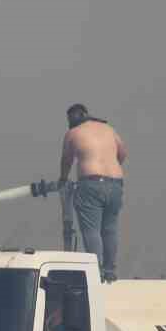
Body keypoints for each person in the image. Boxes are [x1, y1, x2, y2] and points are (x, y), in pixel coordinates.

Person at [59, 103, 127, 282]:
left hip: (91, 184)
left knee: (92, 231)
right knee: (110, 230)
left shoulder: (73, 133)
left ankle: (96, 272)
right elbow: (122, 153)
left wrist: (63, 180)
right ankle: (110, 271)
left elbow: (66, 160)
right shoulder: (108, 129)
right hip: (115, 184)